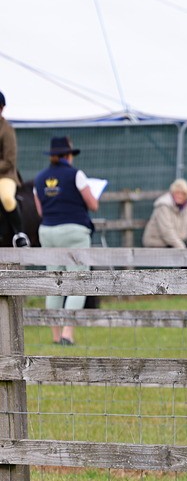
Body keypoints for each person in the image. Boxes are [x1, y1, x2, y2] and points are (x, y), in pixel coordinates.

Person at [33, 136, 99, 345]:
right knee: (78, 280)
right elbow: (93, 204)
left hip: (48, 232)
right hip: (74, 231)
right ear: (68, 155)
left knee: (54, 281)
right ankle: (67, 334)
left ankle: (54, 335)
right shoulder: (76, 175)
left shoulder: (39, 178)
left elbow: (40, 210)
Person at [0, 91, 30, 247]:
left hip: (5, 174)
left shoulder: (7, 130)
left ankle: (19, 233)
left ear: (1, 108)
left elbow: (9, 161)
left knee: (6, 197)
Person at [143, 179, 187, 249]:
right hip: (156, 244)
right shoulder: (163, 206)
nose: (180, 196)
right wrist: (182, 248)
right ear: (172, 193)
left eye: (183, 194)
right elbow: (166, 231)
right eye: (177, 193)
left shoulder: (186, 207)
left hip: (172, 244)